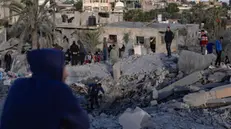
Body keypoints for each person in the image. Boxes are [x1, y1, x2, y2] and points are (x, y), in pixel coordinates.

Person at [0, 49, 89, 129]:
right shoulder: (59, 91)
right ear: (54, 68)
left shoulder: (18, 85)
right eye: (63, 66)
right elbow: (82, 124)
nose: (66, 73)